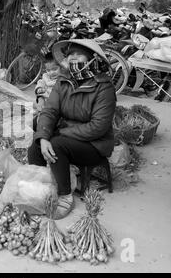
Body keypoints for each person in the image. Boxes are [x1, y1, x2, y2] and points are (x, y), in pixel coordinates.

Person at [28, 39, 116, 220]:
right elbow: (50, 110)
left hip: (94, 145)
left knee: (57, 144)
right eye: (70, 55)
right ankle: (39, 188)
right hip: (68, 135)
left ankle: (65, 195)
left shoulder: (104, 88)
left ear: (92, 58)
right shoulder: (63, 81)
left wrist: (59, 133)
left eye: (79, 54)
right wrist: (43, 137)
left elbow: (98, 127)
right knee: (37, 143)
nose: (73, 58)